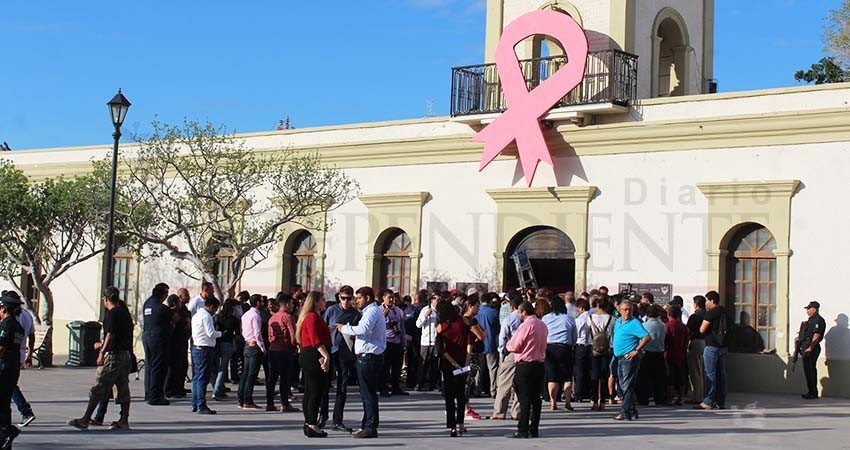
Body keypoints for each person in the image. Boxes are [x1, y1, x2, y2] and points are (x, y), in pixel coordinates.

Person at [67, 287, 133, 432]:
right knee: (123, 387)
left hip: (113, 355)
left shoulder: (111, 314)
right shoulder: (124, 313)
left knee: (99, 386)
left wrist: (101, 352)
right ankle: (124, 420)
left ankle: (85, 418)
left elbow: (110, 334)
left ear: (105, 299)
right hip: (125, 354)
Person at [336, 286, 386, 439]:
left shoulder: (371, 311)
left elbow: (363, 329)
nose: (356, 301)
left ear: (368, 298)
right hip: (368, 357)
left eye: (359, 298)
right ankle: (367, 424)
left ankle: (370, 426)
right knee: (367, 394)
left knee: (368, 394)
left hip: (369, 358)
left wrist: (345, 328)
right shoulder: (371, 311)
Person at [506, 301, 548, 439]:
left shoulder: (526, 325)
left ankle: (522, 428)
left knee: (524, 399)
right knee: (536, 399)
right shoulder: (542, 325)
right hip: (539, 364)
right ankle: (534, 428)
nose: (518, 314)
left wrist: (508, 344)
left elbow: (515, 346)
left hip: (525, 364)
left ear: (524, 311)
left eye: (519, 311)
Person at [322, 286, 360, 431]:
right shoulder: (331, 311)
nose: (346, 301)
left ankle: (337, 420)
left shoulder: (355, 314)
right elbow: (322, 327)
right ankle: (323, 416)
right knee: (324, 385)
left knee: (342, 387)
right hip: (330, 351)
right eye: (343, 298)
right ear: (339, 297)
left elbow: (359, 332)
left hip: (345, 353)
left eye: (349, 298)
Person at [296, 291, 331, 438]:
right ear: (315, 302)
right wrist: (325, 355)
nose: (324, 302)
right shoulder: (311, 317)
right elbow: (314, 338)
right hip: (313, 354)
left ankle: (309, 422)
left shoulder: (313, 316)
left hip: (310, 353)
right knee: (315, 391)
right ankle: (311, 423)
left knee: (311, 390)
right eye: (322, 300)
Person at [436, 299, 471, 437]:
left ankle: (452, 427)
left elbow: (442, 350)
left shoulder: (441, 326)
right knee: (461, 394)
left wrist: (453, 363)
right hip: (463, 361)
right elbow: (469, 342)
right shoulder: (463, 322)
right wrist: (466, 361)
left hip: (449, 363)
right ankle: (461, 424)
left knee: (449, 396)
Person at [612, 300, 650, 421]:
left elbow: (646, 337)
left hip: (629, 358)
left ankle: (624, 411)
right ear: (620, 310)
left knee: (627, 385)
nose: (627, 312)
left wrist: (636, 350)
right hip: (619, 357)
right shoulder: (618, 321)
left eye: (630, 309)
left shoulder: (634, 323)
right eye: (625, 310)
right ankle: (632, 410)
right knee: (623, 385)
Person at [491, 293, 523, 421]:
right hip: (524, 352)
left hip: (510, 352)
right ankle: (517, 412)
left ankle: (499, 412)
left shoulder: (509, 319)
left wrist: (501, 353)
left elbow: (503, 336)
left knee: (504, 383)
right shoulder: (526, 318)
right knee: (519, 384)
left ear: (511, 307)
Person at [541, 297, 577, 411]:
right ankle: (567, 402)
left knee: (552, 376)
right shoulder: (569, 318)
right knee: (567, 376)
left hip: (549, 347)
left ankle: (553, 402)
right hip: (564, 348)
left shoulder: (545, 318)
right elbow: (574, 336)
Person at [5, 291, 35, 428]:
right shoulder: (27, 315)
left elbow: (5, 340)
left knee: (9, 385)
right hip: (20, 352)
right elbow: (32, 335)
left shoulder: (10, 320)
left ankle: (25, 411)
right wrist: (30, 353)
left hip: (9, 354)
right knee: (10, 384)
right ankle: (25, 411)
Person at [0, 294, 25, 448]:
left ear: (5, 308)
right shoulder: (18, 326)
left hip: (4, 367)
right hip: (13, 367)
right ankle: (5, 437)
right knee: (4, 402)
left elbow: (1, 347)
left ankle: (7, 431)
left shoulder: (7, 324)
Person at [697, 291, 729, 410]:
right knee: (721, 374)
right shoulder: (724, 311)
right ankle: (721, 401)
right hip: (723, 346)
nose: (706, 303)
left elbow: (702, 329)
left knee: (710, 374)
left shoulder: (711, 313)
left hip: (712, 346)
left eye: (707, 300)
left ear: (712, 301)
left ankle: (708, 401)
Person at [142, 283, 173, 405]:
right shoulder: (161, 308)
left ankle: (148, 393)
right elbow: (175, 317)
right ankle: (155, 396)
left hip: (147, 336)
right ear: (164, 295)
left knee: (149, 366)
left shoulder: (147, 304)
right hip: (158, 339)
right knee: (158, 367)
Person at [191, 296, 221, 415]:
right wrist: (220, 333)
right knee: (203, 378)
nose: (215, 311)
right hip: (204, 349)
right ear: (211, 307)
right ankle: (201, 405)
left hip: (197, 347)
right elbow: (210, 333)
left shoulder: (197, 315)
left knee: (197, 378)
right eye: (215, 309)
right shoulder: (206, 316)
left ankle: (195, 403)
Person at [238, 294, 266, 409]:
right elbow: (257, 333)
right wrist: (262, 347)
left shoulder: (246, 314)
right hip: (254, 346)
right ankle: (247, 400)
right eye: (261, 301)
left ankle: (241, 398)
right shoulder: (256, 316)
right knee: (251, 374)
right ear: (257, 303)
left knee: (246, 373)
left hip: (247, 344)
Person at [379, 289, 407, 397]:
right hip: (386, 341)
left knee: (397, 366)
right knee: (385, 367)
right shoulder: (379, 310)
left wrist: (404, 342)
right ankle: (383, 388)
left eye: (393, 297)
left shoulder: (398, 310)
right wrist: (383, 316)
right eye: (389, 297)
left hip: (397, 341)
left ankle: (396, 387)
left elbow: (402, 327)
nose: (391, 300)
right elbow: (377, 325)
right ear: (383, 298)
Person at [637, 304, 667, 406]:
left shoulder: (644, 326)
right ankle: (659, 399)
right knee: (658, 379)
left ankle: (643, 399)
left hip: (646, 353)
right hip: (659, 353)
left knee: (644, 378)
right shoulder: (663, 325)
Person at [589, 296, 615, 411]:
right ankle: (603, 401)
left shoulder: (590, 318)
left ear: (597, 305)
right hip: (607, 348)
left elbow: (587, 333)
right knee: (604, 375)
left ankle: (594, 400)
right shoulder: (612, 319)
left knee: (594, 375)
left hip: (594, 348)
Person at [213, 299, 240, 401]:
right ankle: (217, 390)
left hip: (217, 343)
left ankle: (218, 387)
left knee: (217, 367)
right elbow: (237, 335)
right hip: (228, 343)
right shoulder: (234, 320)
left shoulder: (217, 318)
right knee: (223, 368)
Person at [166, 289, 191, 399]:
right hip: (175, 341)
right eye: (186, 295)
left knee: (183, 365)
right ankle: (170, 389)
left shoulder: (185, 309)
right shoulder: (174, 311)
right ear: (180, 297)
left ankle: (180, 387)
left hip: (184, 340)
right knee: (174, 366)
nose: (188, 297)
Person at [476, 292, 501, 398]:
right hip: (490, 342)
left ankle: (476, 388)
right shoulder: (494, 312)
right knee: (493, 368)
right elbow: (497, 328)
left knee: (478, 368)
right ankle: (493, 390)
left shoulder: (476, 312)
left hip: (478, 344)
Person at [800, 301, 826, 399]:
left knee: (810, 369)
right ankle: (810, 391)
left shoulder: (818, 320)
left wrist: (810, 347)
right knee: (807, 370)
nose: (807, 311)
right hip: (806, 345)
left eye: (808, 309)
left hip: (812, 347)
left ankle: (813, 392)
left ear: (814, 309)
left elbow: (817, 335)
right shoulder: (810, 320)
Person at [415, 293, 440, 391]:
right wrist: (425, 316)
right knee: (423, 363)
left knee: (434, 364)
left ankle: (432, 384)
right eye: (437, 300)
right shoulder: (425, 309)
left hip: (436, 341)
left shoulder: (440, 311)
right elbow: (418, 324)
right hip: (426, 341)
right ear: (432, 300)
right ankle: (419, 383)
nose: (438, 302)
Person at [665, 305, 689, 405]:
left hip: (669, 353)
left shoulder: (668, 325)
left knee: (670, 376)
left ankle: (669, 398)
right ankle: (681, 397)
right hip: (681, 353)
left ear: (669, 314)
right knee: (681, 376)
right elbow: (687, 340)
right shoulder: (683, 326)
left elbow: (665, 339)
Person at [686, 295, 707, 404]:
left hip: (696, 342)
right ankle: (706, 394)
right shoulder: (708, 314)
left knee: (695, 371)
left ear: (696, 304)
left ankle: (698, 396)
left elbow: (688, 331)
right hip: (707, 343)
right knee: (705, 370)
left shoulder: (695, 316)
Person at [573, 298, 592, 404]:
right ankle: (588, 392)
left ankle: (578, 394)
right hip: (591, 345)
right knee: (589, 370)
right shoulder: (592, 317)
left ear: (581, 308)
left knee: (579, 370)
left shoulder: (579, 320)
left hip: (580, 345)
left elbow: (576, 334)